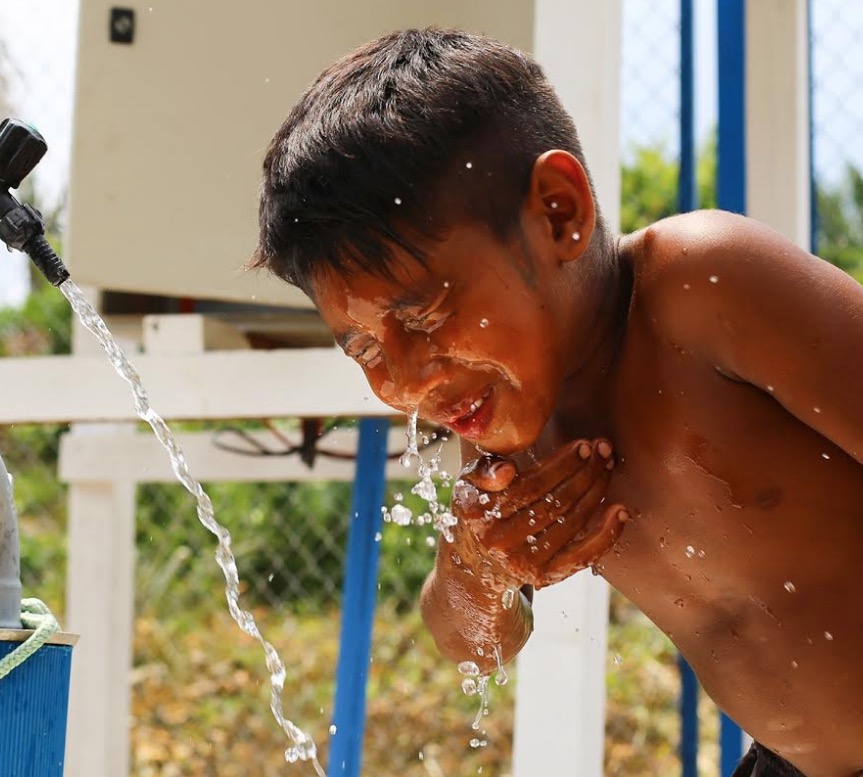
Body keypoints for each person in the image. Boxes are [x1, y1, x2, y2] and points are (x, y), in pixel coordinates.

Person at [251, 28, 863, 777]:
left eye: (424, 315)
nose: (406, 382)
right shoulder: (508, 425)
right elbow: (473, 645)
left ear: (558, 212)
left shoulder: (704, 288)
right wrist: (477, 568)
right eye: (366, 351)